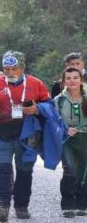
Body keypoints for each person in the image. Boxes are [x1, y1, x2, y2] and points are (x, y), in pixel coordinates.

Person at [0, 51, 50, 221]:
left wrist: (37, 109)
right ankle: (2, 205)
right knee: (2, 170)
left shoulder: (36, 83)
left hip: (27, 136)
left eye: (14, 68)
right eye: (6, 69)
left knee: (24, 172)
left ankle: (21, 206)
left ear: (23, 68)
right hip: (1, 136)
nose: (10, 72)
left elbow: (49, 105)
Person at [54, 67, 87, 218]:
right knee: (70, 169)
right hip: (66, 139)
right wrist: (65, 129)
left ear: (81, 79)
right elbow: (54, 121)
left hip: (85, 137)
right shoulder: (58, 100)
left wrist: (81, 128)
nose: (72, 80)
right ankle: (67, 204)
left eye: (75, 77)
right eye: (68, 78)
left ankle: (82, 203)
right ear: (64, 81)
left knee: (83, 170)